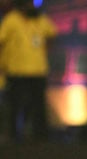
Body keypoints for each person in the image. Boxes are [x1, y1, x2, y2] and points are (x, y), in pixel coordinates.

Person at [0, 0, 56, 143]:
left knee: (38, 106)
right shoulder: (11, 20)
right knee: (15, 105)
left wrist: (43, 52)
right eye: (28, 4)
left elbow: (52, 34)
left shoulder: (40, 19)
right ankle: (13, 136)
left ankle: (40, 137)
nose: (31, 7)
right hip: (16, 70)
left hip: (37, 70)